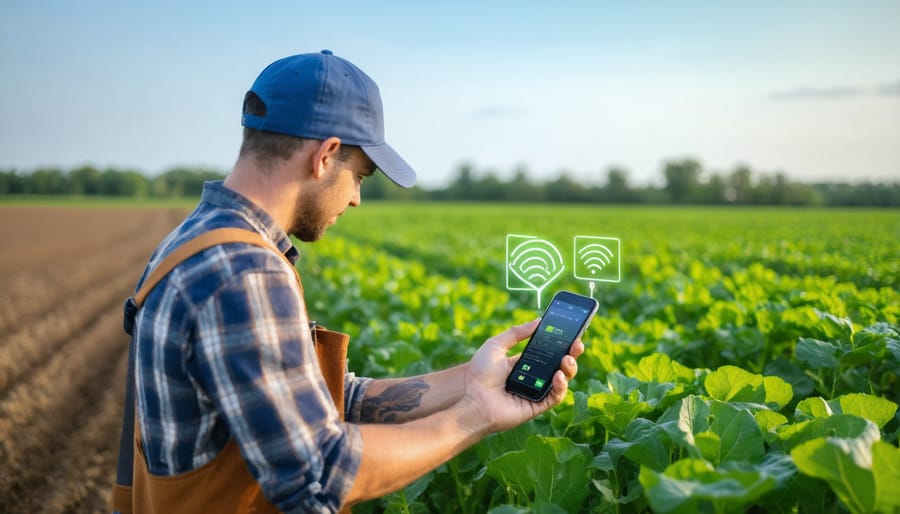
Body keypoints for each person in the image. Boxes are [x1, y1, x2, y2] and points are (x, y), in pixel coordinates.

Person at [112, 50, 583, 514]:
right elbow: (320, 474)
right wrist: (476, 417)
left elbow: (331, 401)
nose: (356, 198)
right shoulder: (242, 272)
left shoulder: (195, 239)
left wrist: (471, 381)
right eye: (360, 176)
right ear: (325, 156)